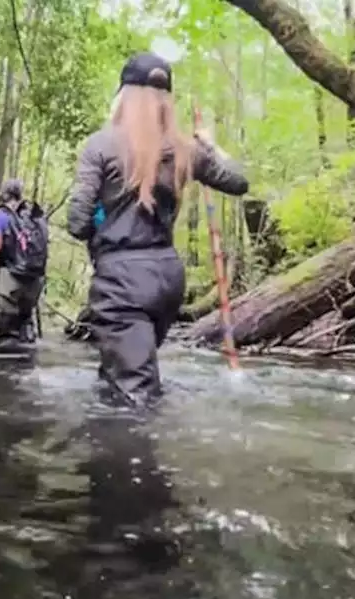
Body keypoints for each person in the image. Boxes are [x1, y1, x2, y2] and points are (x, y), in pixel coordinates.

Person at [67, 52, 249, 405]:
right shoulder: (186, 149)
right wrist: (211, 147)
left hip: (121, 283)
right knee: (117, 380)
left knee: (135, 399)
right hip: (168, 280)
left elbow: (77, 222)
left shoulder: (101, 145)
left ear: (123, 95)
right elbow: (240, 181)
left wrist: (103, 223)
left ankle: (134, 459)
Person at [0, 178, 49, 351]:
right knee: (25, 330)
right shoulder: (35, 215)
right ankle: (27, 374)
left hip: (10, 279)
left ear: (3, 195)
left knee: (7, 335)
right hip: (35, 280)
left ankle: (5, 376)